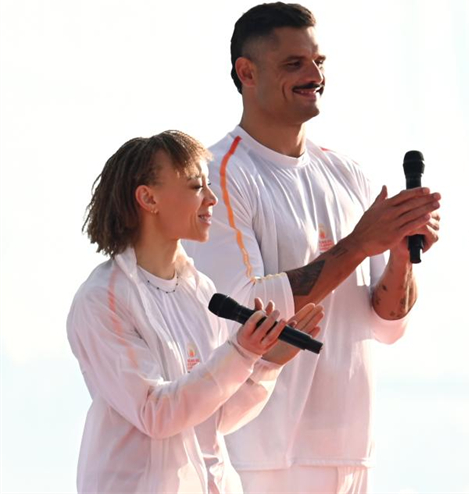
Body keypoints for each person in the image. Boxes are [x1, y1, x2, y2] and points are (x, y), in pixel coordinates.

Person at [184, 2, 441, 493]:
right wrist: (363, 242)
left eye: (319, 61)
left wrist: (400, 256)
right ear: (247, 73)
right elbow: (244, 306)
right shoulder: (217, 174)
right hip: (266, 453)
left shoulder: (348, 173)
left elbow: (385, 324)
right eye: (295, 64)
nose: (315, 75)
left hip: (353, 448)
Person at [67, 130, 323, 493]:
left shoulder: (199, 289)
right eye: (195, 186)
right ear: (148, 198)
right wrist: (241, 353)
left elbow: (215, 417)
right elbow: (155, 413)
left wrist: (265, 364)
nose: (212, 199)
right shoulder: (101, 300)